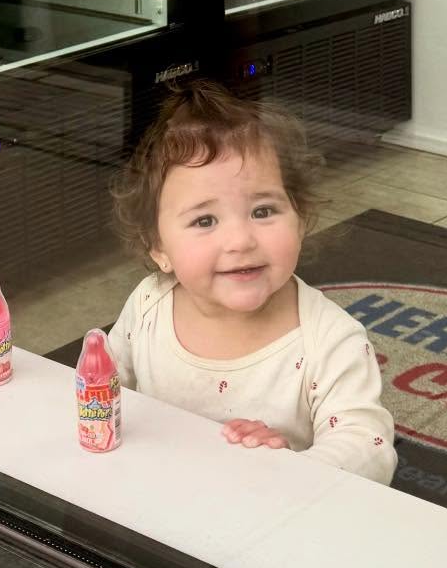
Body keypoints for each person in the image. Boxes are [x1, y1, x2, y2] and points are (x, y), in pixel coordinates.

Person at [108, 80, 396, 484]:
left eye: (263, 211)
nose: (241, 240)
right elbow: (104, 384)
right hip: (164, 498)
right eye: (204, 220)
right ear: (159, 247)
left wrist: (292, 468)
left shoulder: (330, 340)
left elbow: (369, 445)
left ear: (300, 216)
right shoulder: (149, 305)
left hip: (276, 516)